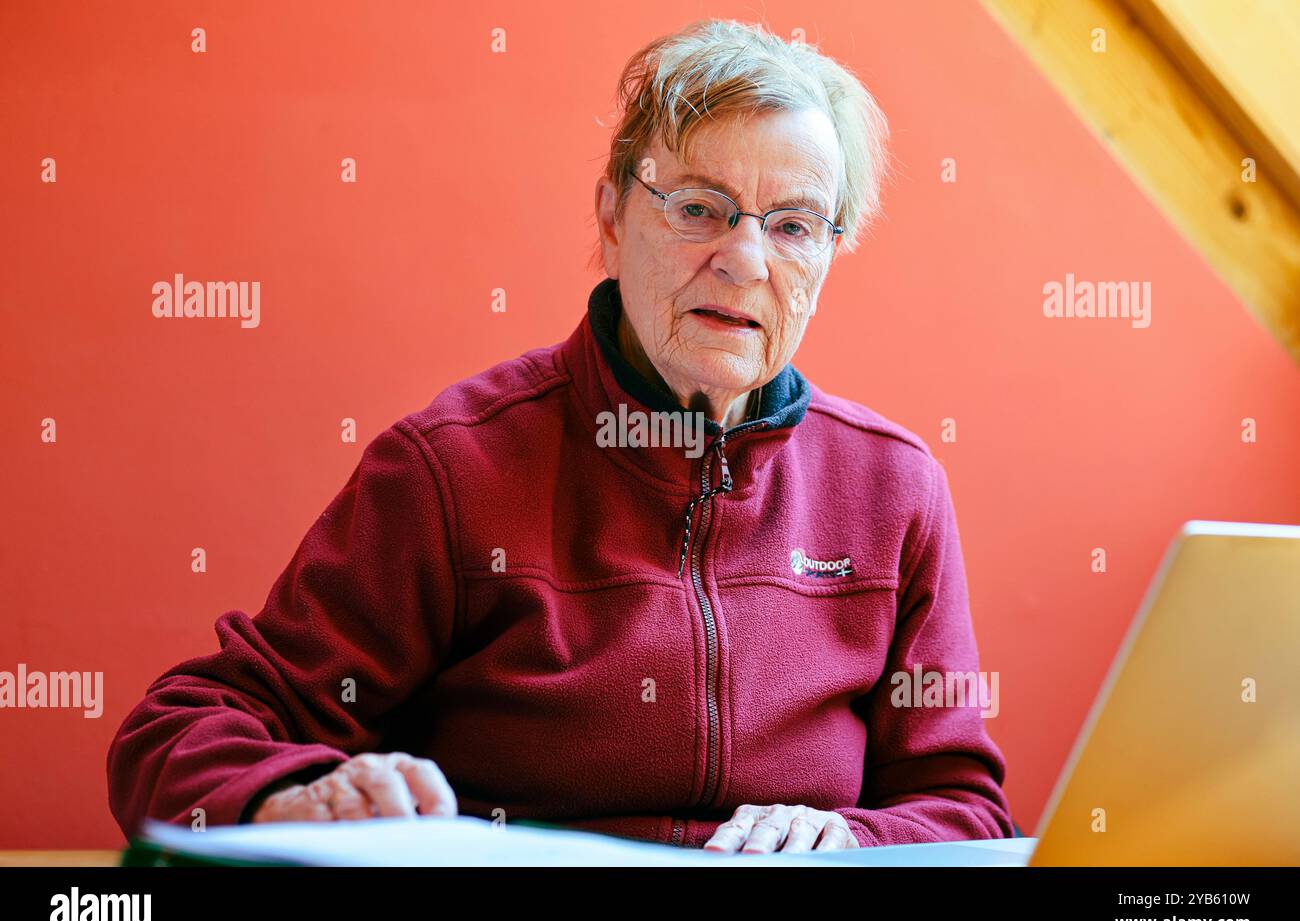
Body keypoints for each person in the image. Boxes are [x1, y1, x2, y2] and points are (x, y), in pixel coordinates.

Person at [107, 18, 1014, 854]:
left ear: (827, 254)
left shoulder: (895, 489)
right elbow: (183, 730)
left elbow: (966, 808)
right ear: (613, 215)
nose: (744, 260)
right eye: (698, 207)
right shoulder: (453, 466)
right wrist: (302, 792)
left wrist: (849, 838)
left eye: (792, 226)